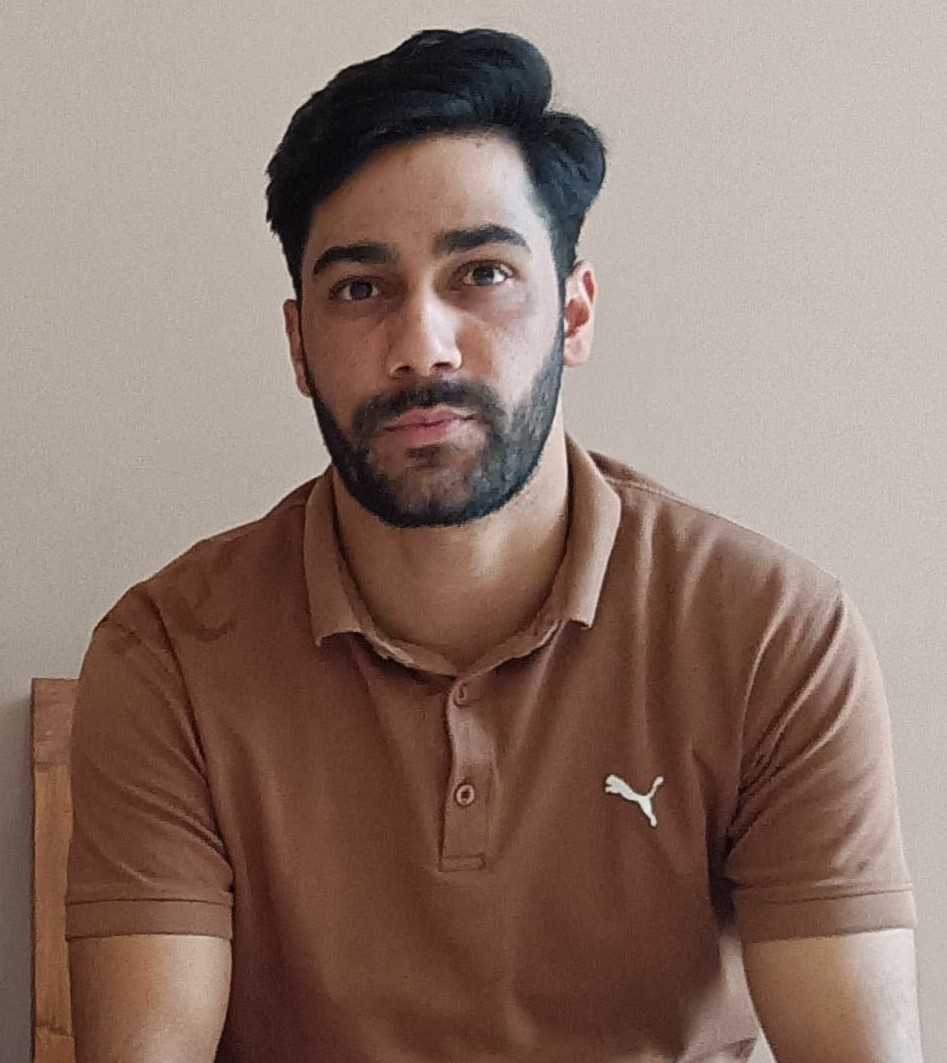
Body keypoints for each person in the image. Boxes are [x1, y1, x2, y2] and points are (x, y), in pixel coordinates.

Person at [65, 27, 924, 1063]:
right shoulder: (168, 653)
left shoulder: (773, 636)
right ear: (298, 345)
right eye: (360, 288)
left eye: (481, 273)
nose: (422, 345)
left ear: (573, 312)